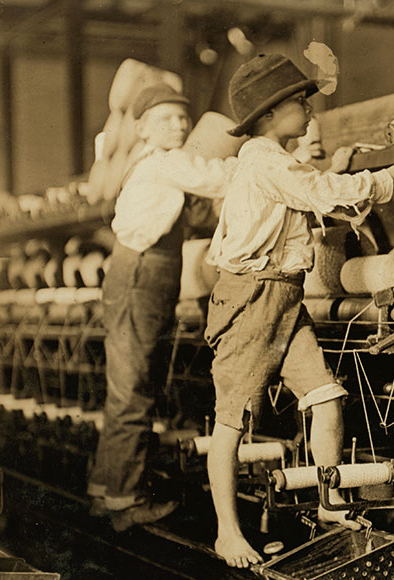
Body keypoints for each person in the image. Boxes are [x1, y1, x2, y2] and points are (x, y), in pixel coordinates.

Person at [204, 53, 394, 567]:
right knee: (232, 421)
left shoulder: (276, 162)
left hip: (284, 296)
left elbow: (318, 195)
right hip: (252, 299)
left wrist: (342, 172)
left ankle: (329, 502)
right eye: (299, 102)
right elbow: (326, 193)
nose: (309, 110)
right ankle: (226, 532)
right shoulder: (266, 161)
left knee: (326, 397)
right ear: (267, 114)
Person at [88, 83, 236, 532]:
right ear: (141, 128)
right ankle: (126, 501)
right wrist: (265, 159)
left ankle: (106, 489)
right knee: (133, 389)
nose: (179, 125)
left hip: (140, 275)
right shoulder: (165, 161)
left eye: (182, 117)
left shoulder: (154, 164)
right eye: (166, 118)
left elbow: (196, 214)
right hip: (142, 276)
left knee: (128, 387)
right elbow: (219, 177)